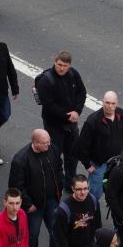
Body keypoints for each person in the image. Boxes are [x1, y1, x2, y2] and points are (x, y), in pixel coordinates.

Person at [8, 129, 63, 247]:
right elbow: (16, 187)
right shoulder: (20, 160)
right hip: (35, 206)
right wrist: (28, 204)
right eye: (45, 143)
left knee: (56, 232)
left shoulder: (52, 149)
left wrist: (59, 190)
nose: (48, 145)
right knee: (32, 235)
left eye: (49, 142)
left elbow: (59, 169)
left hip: (51, 201)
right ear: (35, 143)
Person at [36, 51, 87, 188]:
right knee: (54, 155)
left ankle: (70, 182)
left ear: (69, 65)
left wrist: (77, 111)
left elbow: (82, 92)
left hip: (71, 123)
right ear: (55, 62)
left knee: (72, 154)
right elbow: (48, 105)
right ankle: (56, 180)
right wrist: (67, 116)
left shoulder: (73, 74)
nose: (62, 68)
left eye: (65, 65)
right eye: (59, 64)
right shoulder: (46, 80)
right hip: (54, 125)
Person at [75, 90, 123, 201]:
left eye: (113, 103)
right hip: (99, 166)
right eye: (107, 103)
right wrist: (88, 165)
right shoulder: (92, 121)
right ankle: (91, 215)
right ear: (102, 102)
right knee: (94, 195)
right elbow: (81, 145)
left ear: (117, 103)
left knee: (118, 192)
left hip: (119, 163)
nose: (110, 106)